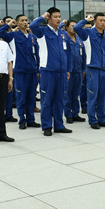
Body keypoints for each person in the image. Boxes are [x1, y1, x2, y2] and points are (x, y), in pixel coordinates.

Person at [30, 8, 73, 136]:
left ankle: (59, 125)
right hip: (48, 71)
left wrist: (68, 69)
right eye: (55, 17)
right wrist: (42, 17)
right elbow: (32, 26)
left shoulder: (63, 33)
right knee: (47, 100)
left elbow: (68, 53)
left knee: (60, 99)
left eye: (59, 16)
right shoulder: (42, 32)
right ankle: (47, 126)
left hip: (61, 72)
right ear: (49, 18)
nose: (58, 19)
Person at [0, 15, 41, 130]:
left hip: (32, 71)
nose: (25, 22)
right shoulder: (13, 35)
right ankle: (22, 120)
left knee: (31, 96)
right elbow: (0, 33)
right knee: (21, 96)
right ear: (17, 23)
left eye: (26, 20)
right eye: (22, 21)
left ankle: (31, 120)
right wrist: (8, 25)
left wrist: (37, 69)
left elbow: (36, 54)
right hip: (20, 71)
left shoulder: (32, 37)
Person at [74, 13, 105, 129]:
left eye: (104, 20)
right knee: (92, 95)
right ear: (95, 21)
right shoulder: (88, 33)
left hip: (104, 70)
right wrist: (86, 20)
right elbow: (76, 28)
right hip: (93, 69)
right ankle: (92, 120)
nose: (103, 22)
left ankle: (102, 118)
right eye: (100, 20)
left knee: (102, 96)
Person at [63, 19, 86, 124]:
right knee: (67, 94)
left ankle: (75, 113)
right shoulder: (64, 39)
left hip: (78, 70)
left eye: (75, 26)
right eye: (71, 26)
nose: (73, 28)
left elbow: (83, 55)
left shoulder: (79, 39)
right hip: (69, 71)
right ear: (67, 27)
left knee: (76, 94)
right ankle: (68, 114)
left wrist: (84, 69)